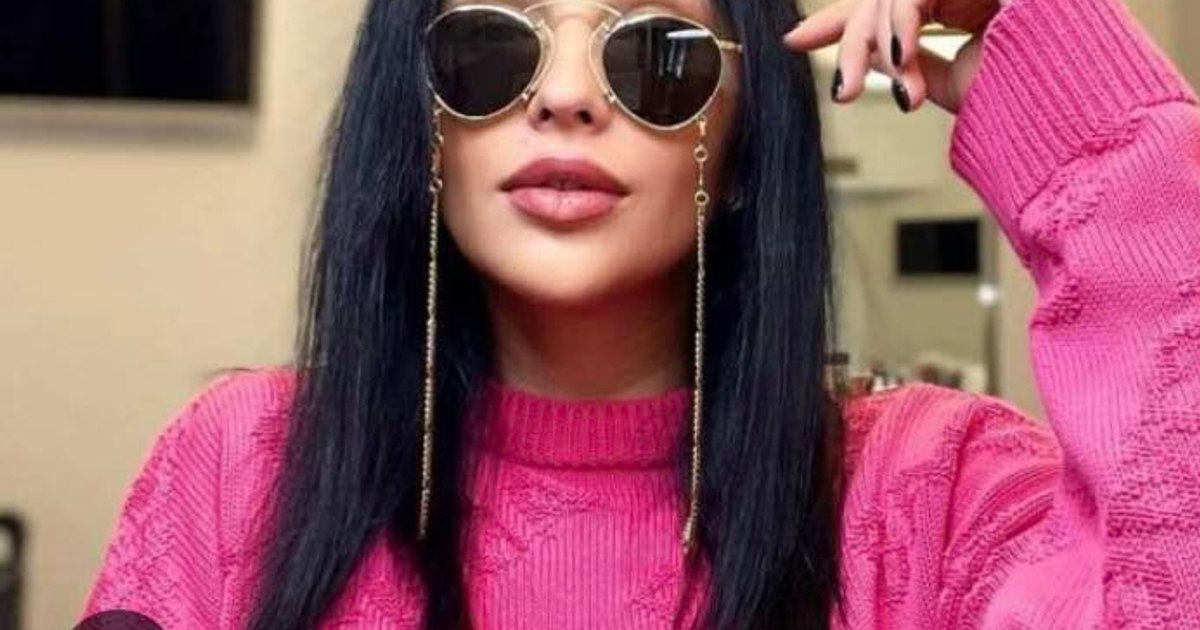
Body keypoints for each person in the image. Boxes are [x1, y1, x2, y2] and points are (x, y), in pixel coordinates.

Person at [79, 0, 1200, 626]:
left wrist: (1043, 64)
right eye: (492, 48)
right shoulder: (244, 466)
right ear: (421, 128)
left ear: (750, 141)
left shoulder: (932, 494)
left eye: (653, 56)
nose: (566, 97)